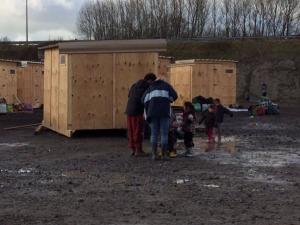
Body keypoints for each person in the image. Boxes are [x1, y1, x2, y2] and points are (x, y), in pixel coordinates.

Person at [142, 78, 178, 160]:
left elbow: (143, 99)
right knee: (164, 134)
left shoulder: (151, 87)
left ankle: (154, 155)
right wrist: (168, 100)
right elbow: (175, 95)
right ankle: (164, 155)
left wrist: (149, 107)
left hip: (152, 113)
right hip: (164, 112)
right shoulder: (167, 86)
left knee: (154, 134)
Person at [125, 73, 157, 157]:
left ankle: (133, 149)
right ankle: (138, 150)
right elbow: (146, 100)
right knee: (138, 131)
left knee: (131, 131)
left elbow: (129, 96)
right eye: (153, 81)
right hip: (138, 111)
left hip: (129, 110)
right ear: (150, 80)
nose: (153, 83)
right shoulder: (147, 87)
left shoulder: (134, 85)